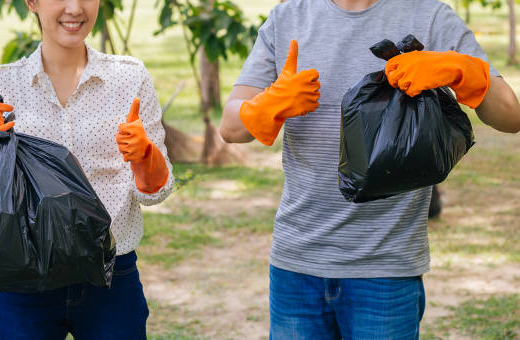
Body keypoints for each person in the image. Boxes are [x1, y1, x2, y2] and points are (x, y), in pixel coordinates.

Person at [220, 0, 520, 338]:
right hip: (297, 265)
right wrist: (265, 105)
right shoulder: (288, 17)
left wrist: (463, 71)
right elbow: (230, 128)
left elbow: (511, 115)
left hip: (386, 269)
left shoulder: (430, 15)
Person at [0, 0, 174, 337]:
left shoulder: (130, 78)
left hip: (111, 278)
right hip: (24, 278)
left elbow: (157, 192)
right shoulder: (3, 84)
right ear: (32, 2)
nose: (75, 7)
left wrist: (145, 157)